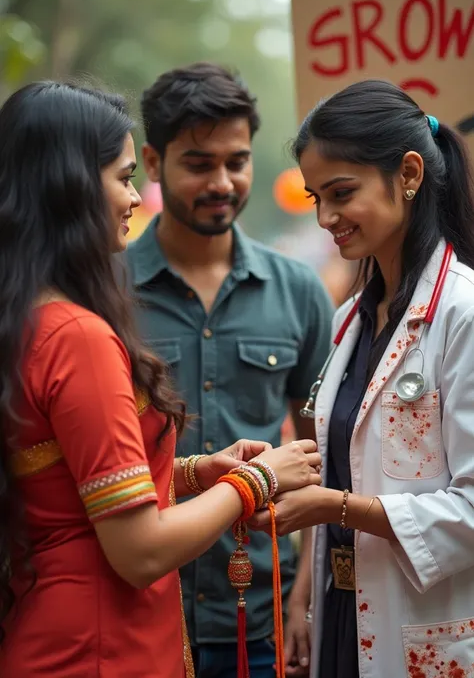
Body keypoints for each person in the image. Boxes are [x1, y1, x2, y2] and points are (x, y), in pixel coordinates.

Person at [0, 80, 322, 678]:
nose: (132, 199)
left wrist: (193, 473)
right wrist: (257, 479)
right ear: (68, 185)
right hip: (99, 647)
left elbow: (67, 476)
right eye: (123, 178)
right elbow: (140, 550)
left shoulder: (30, 317)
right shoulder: (78, 333)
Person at [251, 78, 474, 678]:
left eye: (341, 192)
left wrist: (336, 507)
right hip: (342, 611)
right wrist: (303, 594)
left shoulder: (463, 314)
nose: (325, 217)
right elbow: (342, 464)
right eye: (315, 197)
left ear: (408, 173)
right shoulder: (350, 318)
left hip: (428, 625)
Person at [126, 62, 333, 677]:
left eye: (236, 161)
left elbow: (324, 448)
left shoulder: (298, 289)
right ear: (154, 163)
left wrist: (306, 597)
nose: (222, 181)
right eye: (199, 163)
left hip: (262, 612)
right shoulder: (103, 291)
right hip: (142, 609)